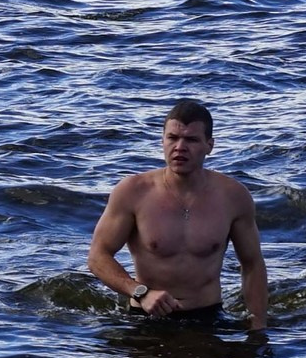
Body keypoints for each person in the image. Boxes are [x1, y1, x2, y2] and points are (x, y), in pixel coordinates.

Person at [87, 98, 269, 331]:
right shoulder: (133, 191)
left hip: (209, 317)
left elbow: (252, 263)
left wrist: (258, 326)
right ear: (162, 141)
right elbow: (97, 257)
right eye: (172, 138)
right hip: (145, 316)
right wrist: (140, 292)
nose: (180, 147)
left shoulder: (233, 196)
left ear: (209, 145)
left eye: (191, 140)